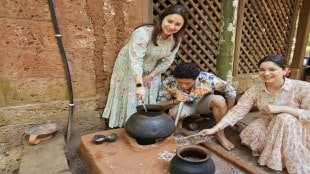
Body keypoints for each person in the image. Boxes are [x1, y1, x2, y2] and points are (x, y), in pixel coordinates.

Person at [199, 55, 310, 173]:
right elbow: (238, 110)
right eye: (262, 70)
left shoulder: (302, 87)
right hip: (267, 121)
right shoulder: (257, 88)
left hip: (296, 126)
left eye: (272, 69)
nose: (266, 73)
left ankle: (290, 158)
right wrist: (215, 129)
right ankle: (276, 155)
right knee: (256, 128)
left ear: (285, 71)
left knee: (284, 118)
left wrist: (283, 108)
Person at [102, 5, 188, 128]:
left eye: (177, 24)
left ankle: (145, 127)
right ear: (162, 18)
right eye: (169, 21)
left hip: (152, 70)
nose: (172, 27)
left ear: (182, 26)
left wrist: (150, 76)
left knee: (151, 97)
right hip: (130, 66)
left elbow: (167, 62)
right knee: (132, 95)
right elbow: (135, 60)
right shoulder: (143, 33)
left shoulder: (176, 40)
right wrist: (139, 84)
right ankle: (127, 126)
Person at [157, 62, 236, 150]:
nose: (183, 86)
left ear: (196, 78)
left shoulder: (207, 78)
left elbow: (231, 91)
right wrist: (174, 101)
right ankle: (179, 127)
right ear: (175, 78)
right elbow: (160, 106)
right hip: (182, 106)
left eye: (188, 83)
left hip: (203, 103)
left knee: (219, 100)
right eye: (180, 82)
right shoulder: (169, 82)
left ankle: (220, 134)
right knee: (173, 114)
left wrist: (228, 113)